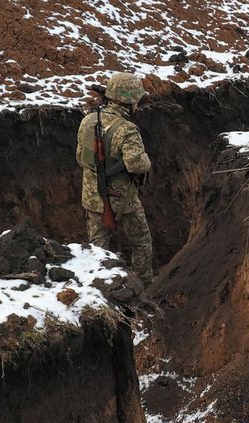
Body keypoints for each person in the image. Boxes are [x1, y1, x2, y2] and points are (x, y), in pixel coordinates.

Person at [75, 72, 154, 285]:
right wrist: (147, 159)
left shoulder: (88, 120)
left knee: (97, 249)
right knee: (141, 243)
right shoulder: (127, 129)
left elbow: (81, 158)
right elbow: (138, 165)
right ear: (130, 102)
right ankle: (144, 287)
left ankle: (98, 288)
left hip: (92, 198)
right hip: (123, 200)